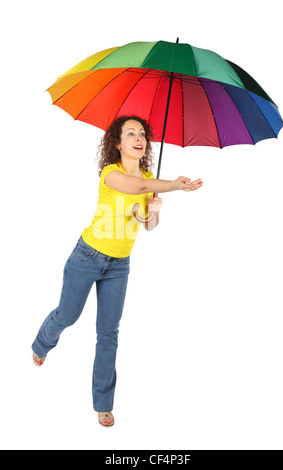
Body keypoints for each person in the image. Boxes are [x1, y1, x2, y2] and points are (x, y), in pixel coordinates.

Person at [31, 115, 203, 427]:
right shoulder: (111, 174)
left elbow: (149, 226)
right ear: (117, 142)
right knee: (67, 316)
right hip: (87, 257)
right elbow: (136, 184)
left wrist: (152, 210)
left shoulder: (150, 179)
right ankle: (41, 344)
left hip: (119, 266)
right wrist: (175, 184)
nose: (139, 138)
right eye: (131, 133)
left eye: (143, 134)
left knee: (108, 334)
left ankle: (103, 403)